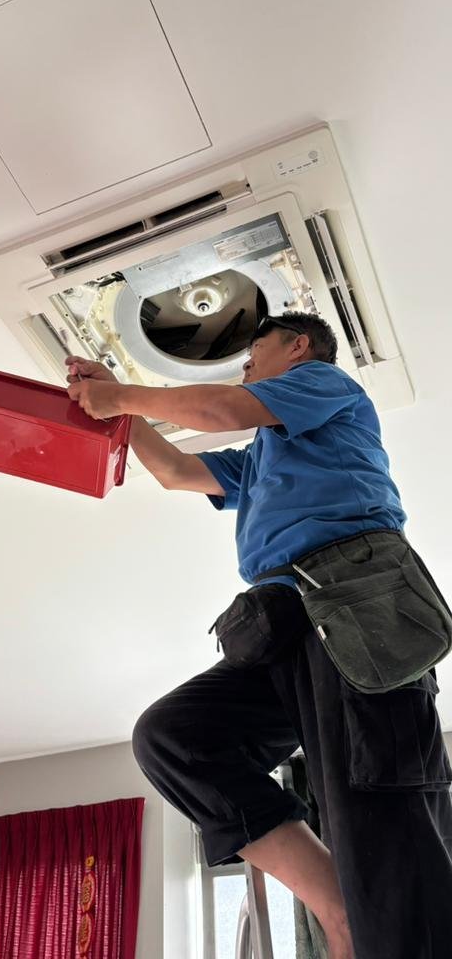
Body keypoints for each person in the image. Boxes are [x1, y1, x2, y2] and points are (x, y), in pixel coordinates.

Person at [66, 311, 452, 959]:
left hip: (357, 601)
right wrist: (115, 409)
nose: (245, 368)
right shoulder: (266, 457)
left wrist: (124, 394)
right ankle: (338, 909)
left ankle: (386, 930)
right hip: (282, 620)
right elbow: (176, 472)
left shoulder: (324, 384)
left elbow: (223, 406)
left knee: (376, 811)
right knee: (177, 738)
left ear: (297, 346)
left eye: (253, 354)